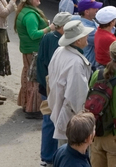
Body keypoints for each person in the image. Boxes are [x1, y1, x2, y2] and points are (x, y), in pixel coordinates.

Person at [36, 12, 73, 166]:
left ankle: (48, 156)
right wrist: (48, 86)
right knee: (54, 121)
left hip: (47, 86)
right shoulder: (59, 41)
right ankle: (51, 156)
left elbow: (40, 62)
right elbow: (46, 65)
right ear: (63, 27)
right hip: (53, 88)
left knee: (49, 121)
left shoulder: (47, 37)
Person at [48, 20, 93, 142]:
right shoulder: (76, 63)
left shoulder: (60, 51)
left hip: (58, 106)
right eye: (85, 35)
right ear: (78, 40)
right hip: (71, 117)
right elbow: (77, 96)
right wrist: (83, 119)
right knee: (72, 150)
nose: (87, 36)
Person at [15, 0, 52, 119]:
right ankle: (33, 109)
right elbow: (34, 34)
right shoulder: (30, 15)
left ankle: (26, 104)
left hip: (27, 50)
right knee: (35, 80)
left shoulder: (24, 11)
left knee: (27, 76)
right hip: (34, 50)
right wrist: (49, 28)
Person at [76, 0, 101, 68]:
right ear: (86, 12)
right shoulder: (86, 28)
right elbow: (101, 40)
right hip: (89, 65)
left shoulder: (92, 21)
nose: (97, 9)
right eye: (94, 8)